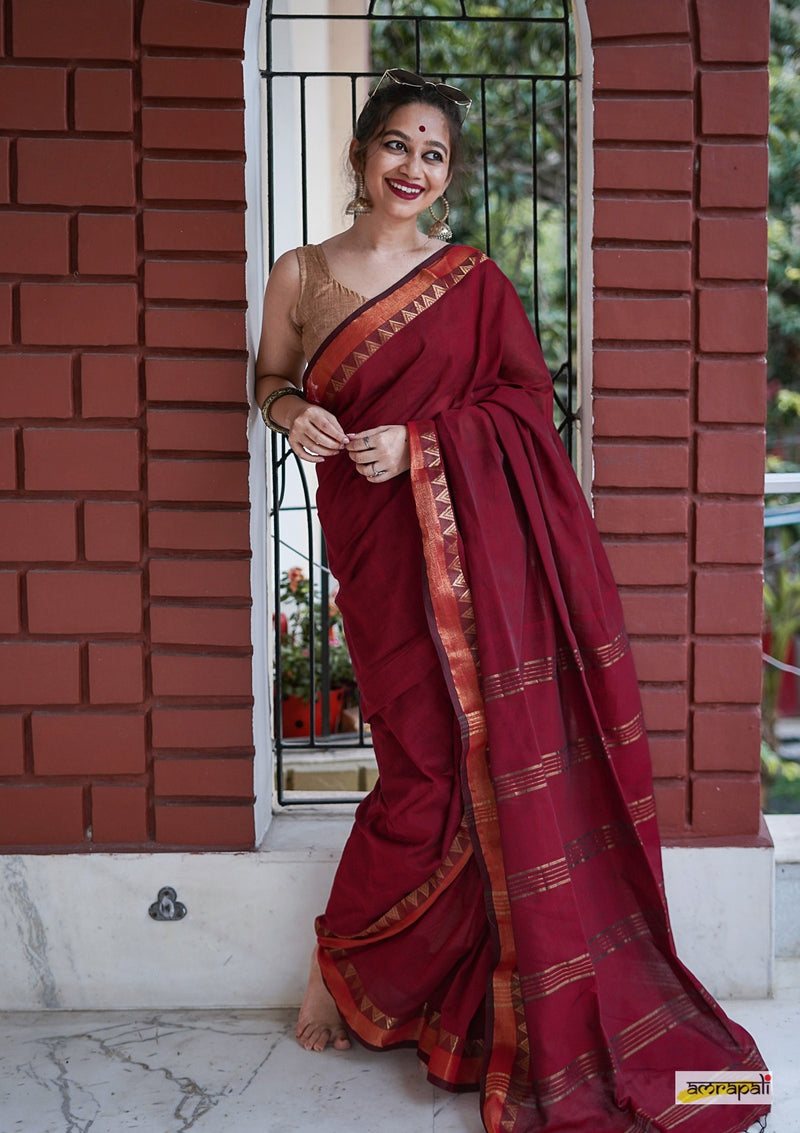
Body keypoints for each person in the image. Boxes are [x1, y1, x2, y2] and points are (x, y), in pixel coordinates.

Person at [255, 69, 769, 1133]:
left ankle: (459, 979)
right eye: (396, 144)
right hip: (377, 554)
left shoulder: (472, 281)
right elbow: (268, 379)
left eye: (434, 154)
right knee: (417, 762)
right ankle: (339, 966)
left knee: (468, 762)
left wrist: (425, 443)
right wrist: (292, 408)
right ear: (360, 156)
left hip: (461, 551)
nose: (413, 167)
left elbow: (523, 403)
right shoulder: (299, 273)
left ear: (446, 179)